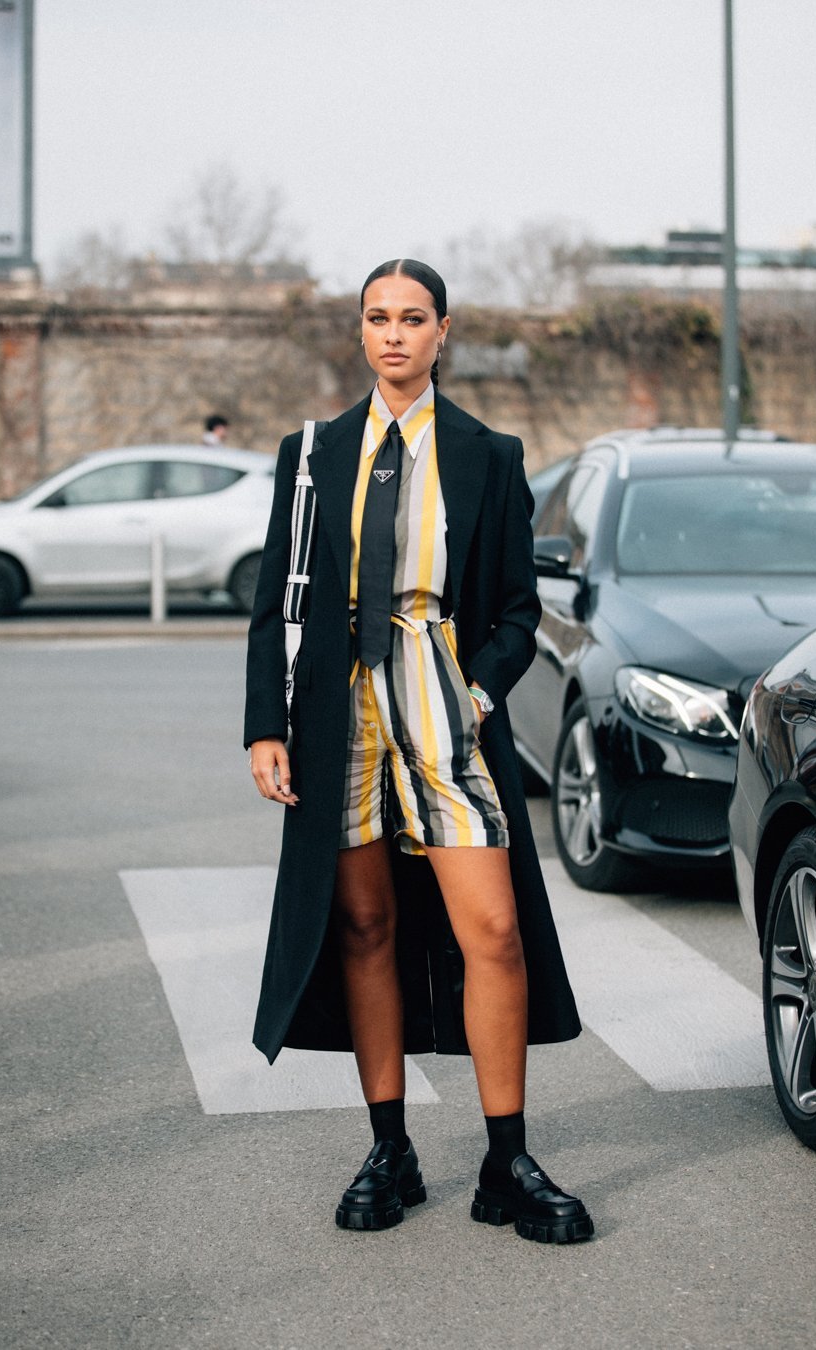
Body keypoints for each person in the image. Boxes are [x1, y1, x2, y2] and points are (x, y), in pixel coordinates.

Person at [245, 259, 592, 1245]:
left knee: (495, 931)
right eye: (376, 318)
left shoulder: (490, 454)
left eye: (413, 318)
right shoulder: (312, 454)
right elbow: (273, 601)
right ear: (361, 332)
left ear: (445, 331)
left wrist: (475, 688)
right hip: (338, 707)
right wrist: (264, 725)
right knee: (362, 930)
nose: (393, 334)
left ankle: (505, 1159)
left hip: (442, 693)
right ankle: (389, 1146)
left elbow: (523, 613)